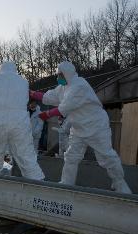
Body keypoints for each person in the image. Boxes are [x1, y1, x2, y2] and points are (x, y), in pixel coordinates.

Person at [30, 61, 131, 193]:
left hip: (96, 126)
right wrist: (32, 93)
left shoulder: (79, 85)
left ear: (67, 74)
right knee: (71, 156)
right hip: (78, 128)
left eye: (60, 75)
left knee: (106, 156)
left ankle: (120, 184)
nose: (58, 78)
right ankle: (67, 183)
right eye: (58, 75)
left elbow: (64, 108)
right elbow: (50, 96)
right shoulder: (64, 87)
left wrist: (47, 114)